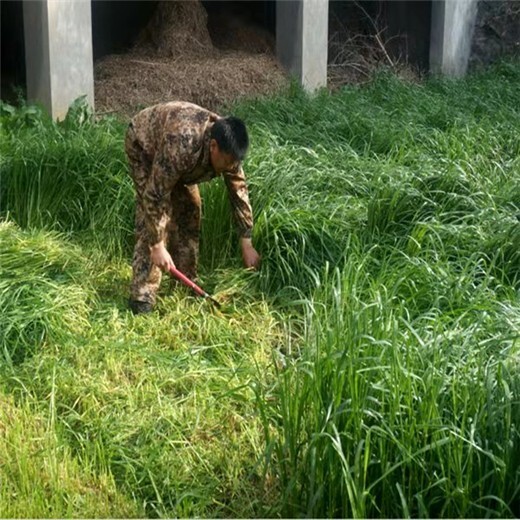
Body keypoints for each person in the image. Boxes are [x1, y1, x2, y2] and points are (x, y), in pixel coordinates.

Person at [125, 101, 261, 314]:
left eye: (233, 163)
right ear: (213, 146)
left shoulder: (229, 151)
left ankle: (186, 281)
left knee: (191, 207)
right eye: (226, 162)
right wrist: (158, 244)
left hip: (176, 160)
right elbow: (155, 196)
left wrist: (247, 241)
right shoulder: (182, 142)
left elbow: (239, 191)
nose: (229, 168)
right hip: (143, 146)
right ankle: (142, 296)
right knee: (153, 218)